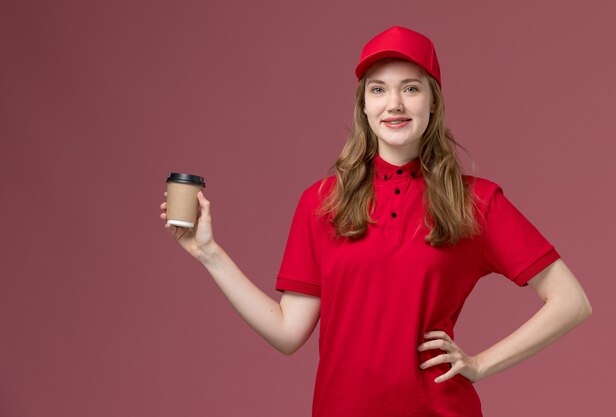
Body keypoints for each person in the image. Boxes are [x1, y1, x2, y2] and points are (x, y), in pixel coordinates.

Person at [159, 26, 592, 417]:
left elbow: (571, 301)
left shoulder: (476, 201)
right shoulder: (322, 203)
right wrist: (210, 254)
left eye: (411, 88)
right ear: (363, 106)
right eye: (379, 90)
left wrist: (478, 364)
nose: (395, 104)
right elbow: (288, 332)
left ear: (433, 102)